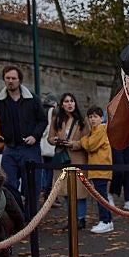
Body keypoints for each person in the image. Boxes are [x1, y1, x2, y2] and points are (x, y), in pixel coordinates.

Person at [0, 65, 47, 212]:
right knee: (7, 183)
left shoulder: (32, 99)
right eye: (8, 78)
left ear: (20, 80)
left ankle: (30, 218)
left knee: (32, 186)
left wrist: (35, 136)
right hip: (10, 148)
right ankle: (18, 215)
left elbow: (42, 120)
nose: (10, 81)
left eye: (13, 78)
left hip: (30, 149)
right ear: (4, 80)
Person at [47, 93, 88, 228]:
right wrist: (57, 141)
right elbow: (50, 138)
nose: (70, 104)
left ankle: (81, 219)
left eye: (72, 101)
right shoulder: (57, 120)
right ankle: (71, 219)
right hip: (62, 157)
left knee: (79, 190)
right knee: (65, 190)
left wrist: (74, 144)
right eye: (66, 101)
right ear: (62, 104)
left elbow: (86, 140)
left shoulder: (82, 120)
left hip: (77, 157)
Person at [80, 106, 114, 234]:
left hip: (101, 168)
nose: (92, 119)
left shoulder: (100, 130)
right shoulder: (95, 130)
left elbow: (90, 145)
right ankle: (107, 221)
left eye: (95, 116)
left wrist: (83, 140)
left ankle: (105, 221)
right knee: (101, 196)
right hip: (98, 168)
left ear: (101, 118)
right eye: (90, 117)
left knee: (101, 196)